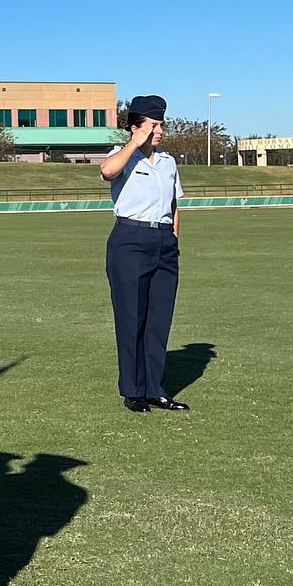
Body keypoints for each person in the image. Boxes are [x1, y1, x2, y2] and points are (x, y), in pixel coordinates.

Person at [99, 95, 188, 414]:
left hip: (163, 241)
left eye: (161, 124)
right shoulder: (121, 156)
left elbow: (175, 205)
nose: (160, 130)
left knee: (158, 320)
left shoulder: (168, 161)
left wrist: (173, 238)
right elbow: (107, 172)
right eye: (153, 124)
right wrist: (134, 144)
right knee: (131, 318)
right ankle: (133, 391)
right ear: (136, 127)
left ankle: (155, 389)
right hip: (130, 239)